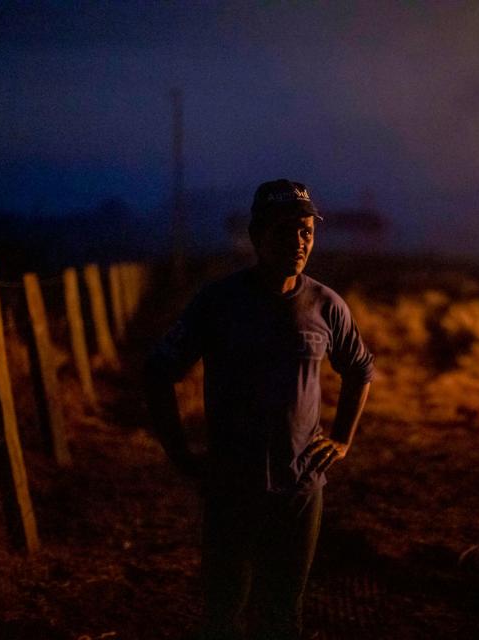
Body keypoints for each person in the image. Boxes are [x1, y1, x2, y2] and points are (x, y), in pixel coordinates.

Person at [143, 179, 374, 640]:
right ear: (256, 236)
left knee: (283, 611)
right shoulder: (219, 303)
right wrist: (181, 454)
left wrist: (343, 438)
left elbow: (360, 368)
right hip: (232, 486)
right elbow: (158, 371)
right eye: (285, 230)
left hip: (300, 488)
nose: (298, 241)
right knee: (224, 609)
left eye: (307, 230)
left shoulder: (326, 305)